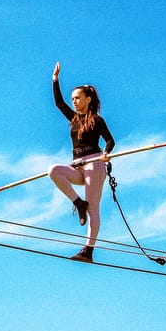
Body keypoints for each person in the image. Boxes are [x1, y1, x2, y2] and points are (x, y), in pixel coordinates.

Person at [48, 62, 115, 263]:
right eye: (73, 99)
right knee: (53, 171)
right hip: (77, 166)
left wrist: (106, 153)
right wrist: (55, 80)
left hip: (94, 164)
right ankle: (79, 203)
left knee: (94, 208)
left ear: (88, 99)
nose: (74, 102)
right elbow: (59, 103)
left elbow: (110, 140)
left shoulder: (97, 120)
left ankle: (88, 250)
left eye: (77, 98)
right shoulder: (74, 118)